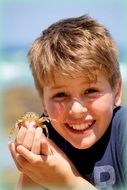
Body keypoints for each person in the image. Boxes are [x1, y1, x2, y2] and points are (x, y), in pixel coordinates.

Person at [8, 15, 127, 190]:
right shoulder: (45, 136)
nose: (76, 110)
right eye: (60, 95)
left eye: (91, 91)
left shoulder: (123, 129)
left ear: (116, 91)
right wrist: (31, 168)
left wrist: (67, 181)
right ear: (43, 102)